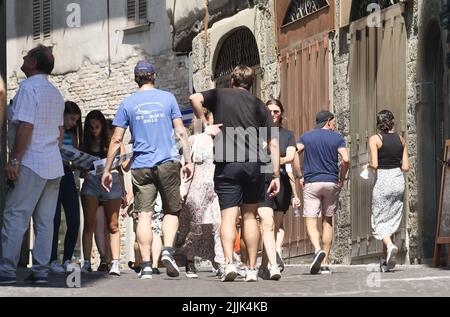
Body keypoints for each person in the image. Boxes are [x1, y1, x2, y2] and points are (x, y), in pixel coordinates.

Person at [102, 61, 193, 280]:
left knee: (144, 214)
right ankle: (168, 251)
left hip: (141, 165)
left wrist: (107, 169)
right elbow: (180, 132)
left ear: (136, 78)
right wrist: (188, 160)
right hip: (168, 162)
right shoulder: (168, 98)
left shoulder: (127, 103)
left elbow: (116, 139)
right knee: (172, 210)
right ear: (154, 76)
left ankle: (145, 267)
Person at [190, 65, 280, 282]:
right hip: (253, 164)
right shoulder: (260, 105)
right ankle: (251, 268)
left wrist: (206, 125)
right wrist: (275, 175)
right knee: (250, 216)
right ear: (251, 83)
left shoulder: (219, 95)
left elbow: (194, 98)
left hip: (227, 163)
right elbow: (273, 144)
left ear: (232, 80)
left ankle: (229, 263)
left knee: (228, 217)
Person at [0, 45, 65, 285]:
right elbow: (60, 133)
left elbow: (26, 127)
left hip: (31, 161)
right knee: (45, 221)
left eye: (27, 56)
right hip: (52, 165)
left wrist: (14, 159)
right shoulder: (55, 93)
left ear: (34, 63)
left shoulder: (28, 89)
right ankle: (41, 270)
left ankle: (6, 270)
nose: (23, 57)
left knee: (15, 215)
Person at [296, 110, 349, 275]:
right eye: (333, 121)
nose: (334, 125)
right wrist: (341, 178)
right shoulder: (337, 138)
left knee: (311, 221)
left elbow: (295, 153)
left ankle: (318, 249)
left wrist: (300, 175)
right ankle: (325, 263)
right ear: (328, 121)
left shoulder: (306, 136)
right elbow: (346, 159)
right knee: (328, 221)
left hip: (312, 182)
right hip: (331, 182)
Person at [176, 110, 225, 278]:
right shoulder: (194, 140)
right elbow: (186, 167)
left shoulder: (222, 138)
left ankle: (220, 261)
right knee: (195, 226)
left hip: (217, 187)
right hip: (197, 188)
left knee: (217, 224)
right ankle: (189, 259)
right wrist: (183, 190)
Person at [259, 99, 300, 279]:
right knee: (266, 222)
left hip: (281, 181)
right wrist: (277, 158)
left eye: (276, 111)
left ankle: (266, 262)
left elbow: (291, 155)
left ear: (281, 113)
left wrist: (275, 159)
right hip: (262, 181)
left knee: (276, 222)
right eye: (270, 111)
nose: (273, 114)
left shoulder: (288, 134)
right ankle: (268, 261)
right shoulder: (259, 133)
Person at [80, 110, 124, 276]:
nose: (94, 130)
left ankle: (115, 263)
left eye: (97, 127)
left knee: (113, 225)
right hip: (91, 183)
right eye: (91, 128)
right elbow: (80, 165)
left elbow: (121, 166)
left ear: (102, 126)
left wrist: (124, 192)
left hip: (110, 182)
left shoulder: (111, 142)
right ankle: (86, 262)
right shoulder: (85, 144)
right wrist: (81, 170)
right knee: (89, 224)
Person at [366, 109, 409, 272]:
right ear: (392, 122)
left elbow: (375, 164)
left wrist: (367, 165)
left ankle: (390, 245)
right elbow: (405, 167)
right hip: (398, 180)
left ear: (378, 123)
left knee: (379, 219)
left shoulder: (375, 139)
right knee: (390, 219)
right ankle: (385, 261)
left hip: (383, 181)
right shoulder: (401, 140)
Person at [49, 101, 83, 274]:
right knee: (53, 220)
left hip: (68, 173)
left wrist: (78, 162)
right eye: (71, 119)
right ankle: (52, 259)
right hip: (54, 174)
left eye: (76, 120)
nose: (73, 123)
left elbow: (75, 154)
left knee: (74, 219)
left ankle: (67, 259)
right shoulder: (54, 129)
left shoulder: (73, 132)